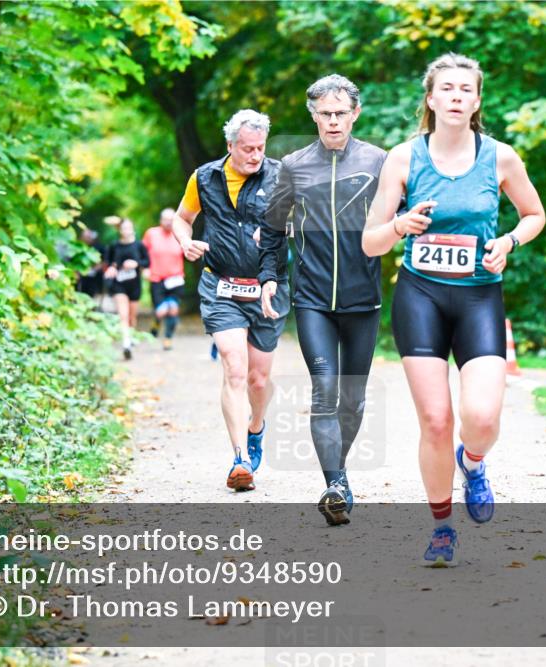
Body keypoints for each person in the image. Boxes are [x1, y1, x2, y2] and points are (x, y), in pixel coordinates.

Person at [362, 54, 546, 566]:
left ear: (477, 100)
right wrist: (400, 226)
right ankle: (442, 526)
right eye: (448, 88)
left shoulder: (500, 157)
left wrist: (508, 240)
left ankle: (476, 461)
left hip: (478, 295)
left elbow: (535, 215)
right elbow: (371, 243)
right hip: (420, 296)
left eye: (467, 89)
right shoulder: (402, 158)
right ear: (431, 98)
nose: (457, 96)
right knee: (436, 421)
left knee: (481, 418)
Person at [259, 74, 386, 526]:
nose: (332, 121)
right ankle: (333, 483)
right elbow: (273, 227)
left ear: (355, 113)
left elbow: (402, 219)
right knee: (325, 390)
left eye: (340, 113)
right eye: (324, 113)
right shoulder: (293, 164)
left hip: (364, 299)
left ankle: (341, 473)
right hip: (312, 297)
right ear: (313, 115)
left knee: (353, 400)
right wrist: (270, 276)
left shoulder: (379, 162)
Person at [171, 109, 290, 492]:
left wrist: (279, 233)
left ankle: (256, 428)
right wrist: (185, 241)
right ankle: (240, 458)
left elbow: (302, 224)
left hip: (267, 288)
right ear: (230, 146)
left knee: (259, 378)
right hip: (220, 285)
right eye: (246, 149)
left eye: (260, 148)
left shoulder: (281, 176)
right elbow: (182, 217)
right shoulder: (204, 177)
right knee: (234, 368)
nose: (255, 156)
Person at [104, 217, 149, 360]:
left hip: (134, 285)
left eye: (129, 228)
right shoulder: (114, 246)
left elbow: (147, 262)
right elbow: (109, 263)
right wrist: (111, 268)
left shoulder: (139, 246)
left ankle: (130, 338)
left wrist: (136, 264)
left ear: (132, 229)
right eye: (124, 228)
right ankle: (126, 344)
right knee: (123, 315)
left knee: (131, 317)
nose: (126, 230)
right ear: (120, 230)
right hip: (119, 284)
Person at [143, 207, 186, 350]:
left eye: (171, 219)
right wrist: (145, 269)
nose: (168, 222)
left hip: (175, 279)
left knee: (173, 309)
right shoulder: (151, 234)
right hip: (157, 279)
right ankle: (156, 323)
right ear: (161, 220)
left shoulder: (179, 234)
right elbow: (142, 253)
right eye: (165, 219)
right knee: (161, 311)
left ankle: (168, 338)